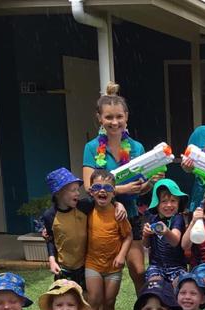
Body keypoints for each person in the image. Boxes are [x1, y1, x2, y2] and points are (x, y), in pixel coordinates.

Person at [83, 81, 162, 293]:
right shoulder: (91, 148)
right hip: (101, 218)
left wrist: (150, 183)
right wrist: (120, 191)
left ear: (126, 116)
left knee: (138, 270)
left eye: (119, 116)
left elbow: (141, 188)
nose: (114, 122)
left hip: (132, 215)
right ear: (99, 118)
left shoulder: (137, 148)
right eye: (109, 117)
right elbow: (88, 186)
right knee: (101, 272)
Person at [42, 167, 127, 290]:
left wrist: (119, 204)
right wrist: (52, 260)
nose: (77, 193)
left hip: (84, 266)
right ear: (58, 192)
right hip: (63, 268)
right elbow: (50, 239)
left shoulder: (83, 206)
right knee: (66, 300)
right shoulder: (49, 216)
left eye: (78, 189)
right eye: (73, 190)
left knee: (87, 301)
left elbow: (103, 199)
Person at [84, 169, 133, 310]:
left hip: (113, 264)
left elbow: (128, 236)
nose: (102, 191)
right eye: (97, 186)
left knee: (109, 301)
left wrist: (122, 255)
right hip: (93, 263)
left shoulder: (118, 213)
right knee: (94, 299)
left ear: (114, 191)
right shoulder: (86, 210)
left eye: (107, 187)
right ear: (91, 191)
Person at [142, 179, 188, 284]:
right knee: (155, 286)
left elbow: (175, 241)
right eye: (164, 201)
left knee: (179, 285)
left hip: (177, 267)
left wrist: (166, 231)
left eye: (173, 201)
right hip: (156, 267)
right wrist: (145, 235)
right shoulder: (153, 219)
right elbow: (146, 245)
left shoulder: (178, 218)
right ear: (156, 204)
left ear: (178, 203)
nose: (169, 205)